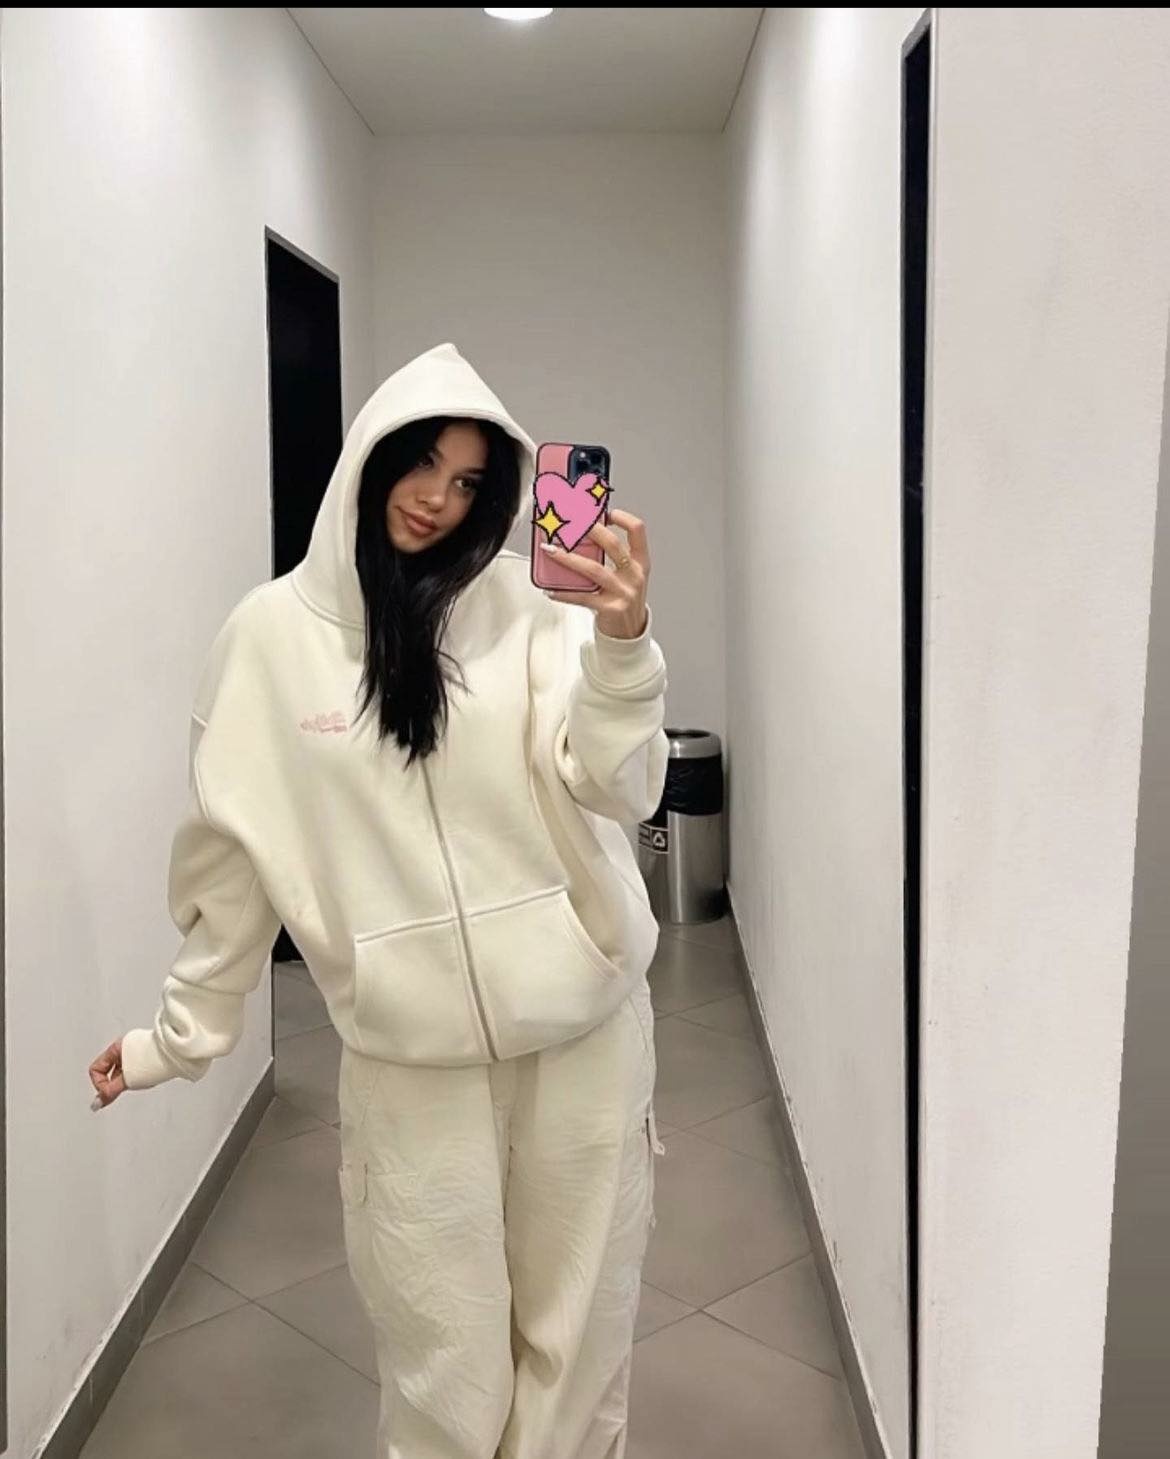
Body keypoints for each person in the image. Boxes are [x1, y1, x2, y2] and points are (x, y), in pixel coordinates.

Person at [88, 341, 670, 1459]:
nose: (436, 499)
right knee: (446, 1375)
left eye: (468, 482)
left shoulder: (537, 607)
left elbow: (623, 784)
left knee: (580, 1358)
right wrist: (175, 1039)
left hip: (586, 1042)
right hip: (411, 1070)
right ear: (369, 456)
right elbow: (232, 863)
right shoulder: (269, 641)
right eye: (420, 463)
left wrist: (622, 645)